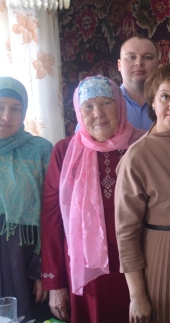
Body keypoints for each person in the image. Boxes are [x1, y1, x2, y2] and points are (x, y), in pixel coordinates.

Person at [40, 76, 145, 323]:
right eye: (88, 106)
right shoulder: (65, 152)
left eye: (106, 103)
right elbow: (51, 219)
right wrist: (55, 284)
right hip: (85, 272)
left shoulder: (142, 144)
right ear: (79, 111)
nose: (98, 114)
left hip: (139, 265)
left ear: (119, 105)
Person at [115, 63, 170, 323]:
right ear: (153, 101)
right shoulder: (137, 155)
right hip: (161, 257)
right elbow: (126, 233)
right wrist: (137, 295)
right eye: (165, 96)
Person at [0, 77, 53, 321]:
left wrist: (42, 270)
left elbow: (52, 214)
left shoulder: (40, 151)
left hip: (23, 261)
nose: (7, 116)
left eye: (16, 109)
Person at [115, 35, 170, 134]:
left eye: (147, 57)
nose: (139, 63)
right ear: (119, 65)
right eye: (131, 57)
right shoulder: (107, 105)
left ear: (158, 64)